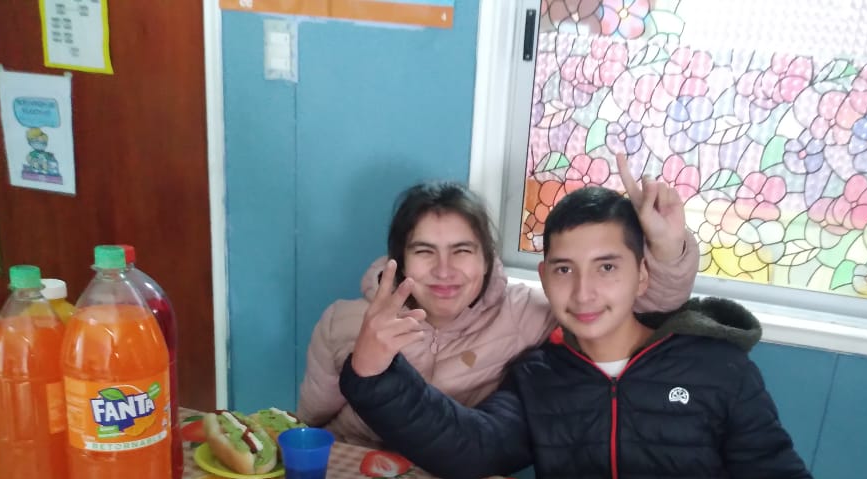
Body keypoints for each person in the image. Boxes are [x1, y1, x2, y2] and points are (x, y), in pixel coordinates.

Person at [338, 185, 867, 479]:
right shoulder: (540, 375)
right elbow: (470, 448)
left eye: (606, 267)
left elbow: (777, 478)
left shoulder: (715, 367)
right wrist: (375, 370)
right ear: (545, 278)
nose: (583, 293)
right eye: (564, 270)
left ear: (642, 274)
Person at [297, 154, 699, 445]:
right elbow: (310, 423)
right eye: (424, 251)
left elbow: (639, 309)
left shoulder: (525, 314)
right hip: (351, 475)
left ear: (487, 258)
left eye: (462, 250)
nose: (444, 270)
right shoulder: (344, 321)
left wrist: (666, 248)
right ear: (399, 260)